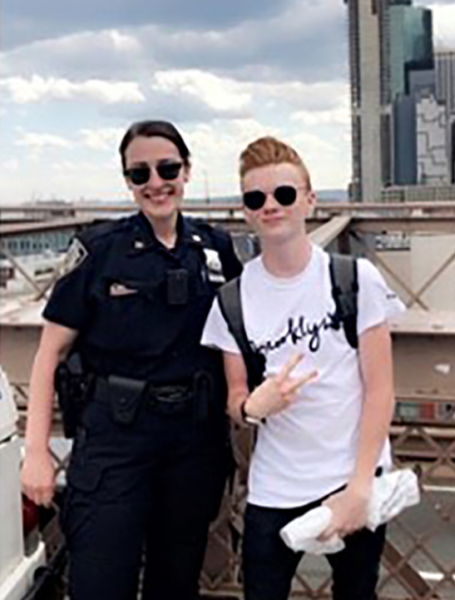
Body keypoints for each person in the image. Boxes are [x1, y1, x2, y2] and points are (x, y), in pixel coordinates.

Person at [21, 120, 242, 600]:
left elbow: (243, 335)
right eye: (139, 174)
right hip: (115, 442)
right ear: (127, 181)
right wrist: (37, 452)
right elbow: (48, 354)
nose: (155, 183)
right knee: (101, 582)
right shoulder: (101, 251)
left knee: (176, 581)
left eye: (167, 168)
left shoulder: (215, 248)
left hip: (192, 441)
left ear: (187, 169)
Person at [201, 136, 405, 600]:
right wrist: (255, 404)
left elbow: (380, 390)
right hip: (275, 486)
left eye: (285, 194)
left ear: (310, 200)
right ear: (246, 211)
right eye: (257, 198)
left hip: (350, 477)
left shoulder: (355, 279)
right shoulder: (232, 299)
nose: (271, 206)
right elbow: (235, 400)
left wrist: (358, 487)